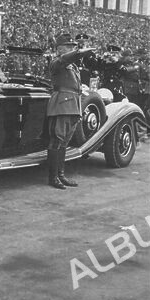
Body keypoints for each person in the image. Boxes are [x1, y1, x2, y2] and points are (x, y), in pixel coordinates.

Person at [46, 34, 96, 190]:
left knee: (64, 143)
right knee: (57, 141)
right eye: (70, 46)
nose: (73, 48)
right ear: (61, 49)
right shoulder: (57, 62)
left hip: (73, 106)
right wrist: (79, 53)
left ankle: (60, 175)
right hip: (61, 105)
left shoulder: (73, 66)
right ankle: (53, 177)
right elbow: (64, 60)